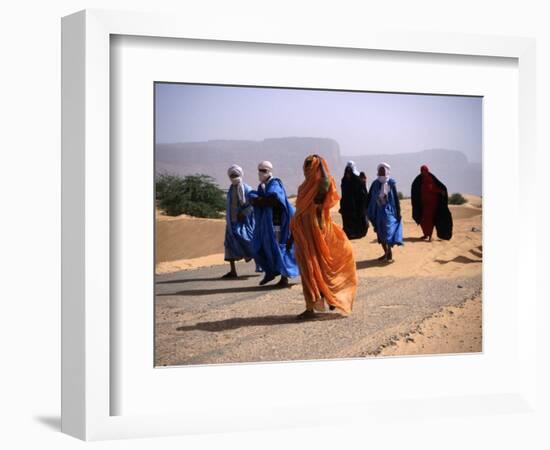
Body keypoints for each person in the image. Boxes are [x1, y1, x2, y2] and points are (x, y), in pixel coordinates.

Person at [290, 155, 357, 320]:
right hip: (303, 234)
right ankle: (314, 304)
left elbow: (326, 187)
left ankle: (322, 301)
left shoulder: (322, 186)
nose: (306, 169)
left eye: (309, 166)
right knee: (309, 269)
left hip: (317, 233)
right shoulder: (304, 187)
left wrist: (320, 167)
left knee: (320, 267)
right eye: (305, 165)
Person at [249, 161, 299, 286]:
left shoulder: (275, 184)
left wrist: (258, 200)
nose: (261, 173)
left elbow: (274, 200)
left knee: (278, 249)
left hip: (277, 224)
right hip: (266, 225)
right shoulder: (263, 186)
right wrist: (257, 199)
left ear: (269, 171)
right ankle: (270, 272)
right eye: (260, 170)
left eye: (264, 170)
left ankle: (284, 278)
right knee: (260, 248)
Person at [222, 165, 259, 278]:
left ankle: (261, 265)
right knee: (229, 245)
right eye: (232, 176)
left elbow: (254, 204)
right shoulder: (231, 189)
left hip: (244, 223)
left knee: (250, 242)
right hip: (231, 223)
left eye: (236, 175)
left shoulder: (247, 189)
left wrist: (244, 213)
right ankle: (233, 271)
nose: (234, 177)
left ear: (240, 175)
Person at [367, 162, 403, 262]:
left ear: (387, 172)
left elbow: (396, 198)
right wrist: (367, 209)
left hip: (389, 213)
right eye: (380, 171)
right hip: (377, 212)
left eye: (383, 171)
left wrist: (398, 212)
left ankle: (389, 253)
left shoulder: (391, 183)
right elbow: (370, 197)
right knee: (380, 233)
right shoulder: (375, 184)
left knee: (388, 233)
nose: (381, 173)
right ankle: (386, 253)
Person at [411, 165, 453, 241]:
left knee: (429, 220)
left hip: (432, 204)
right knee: (423, 220)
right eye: (422, 171)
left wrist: (440, 191)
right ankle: (426, 234)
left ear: (427, 171)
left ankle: (429, 236)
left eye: (424, 171)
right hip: (424, 204)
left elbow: (432, 188)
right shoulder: (420, 179)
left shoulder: (430, 178)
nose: (423, 172)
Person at [339, 161, 368, 240]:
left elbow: (362, 193)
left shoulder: (356, 179)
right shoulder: (344, 180)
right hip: (347, 204)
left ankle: (356, 232)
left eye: (349, 170)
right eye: (347, 170)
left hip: (355, 204)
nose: (348, 173)